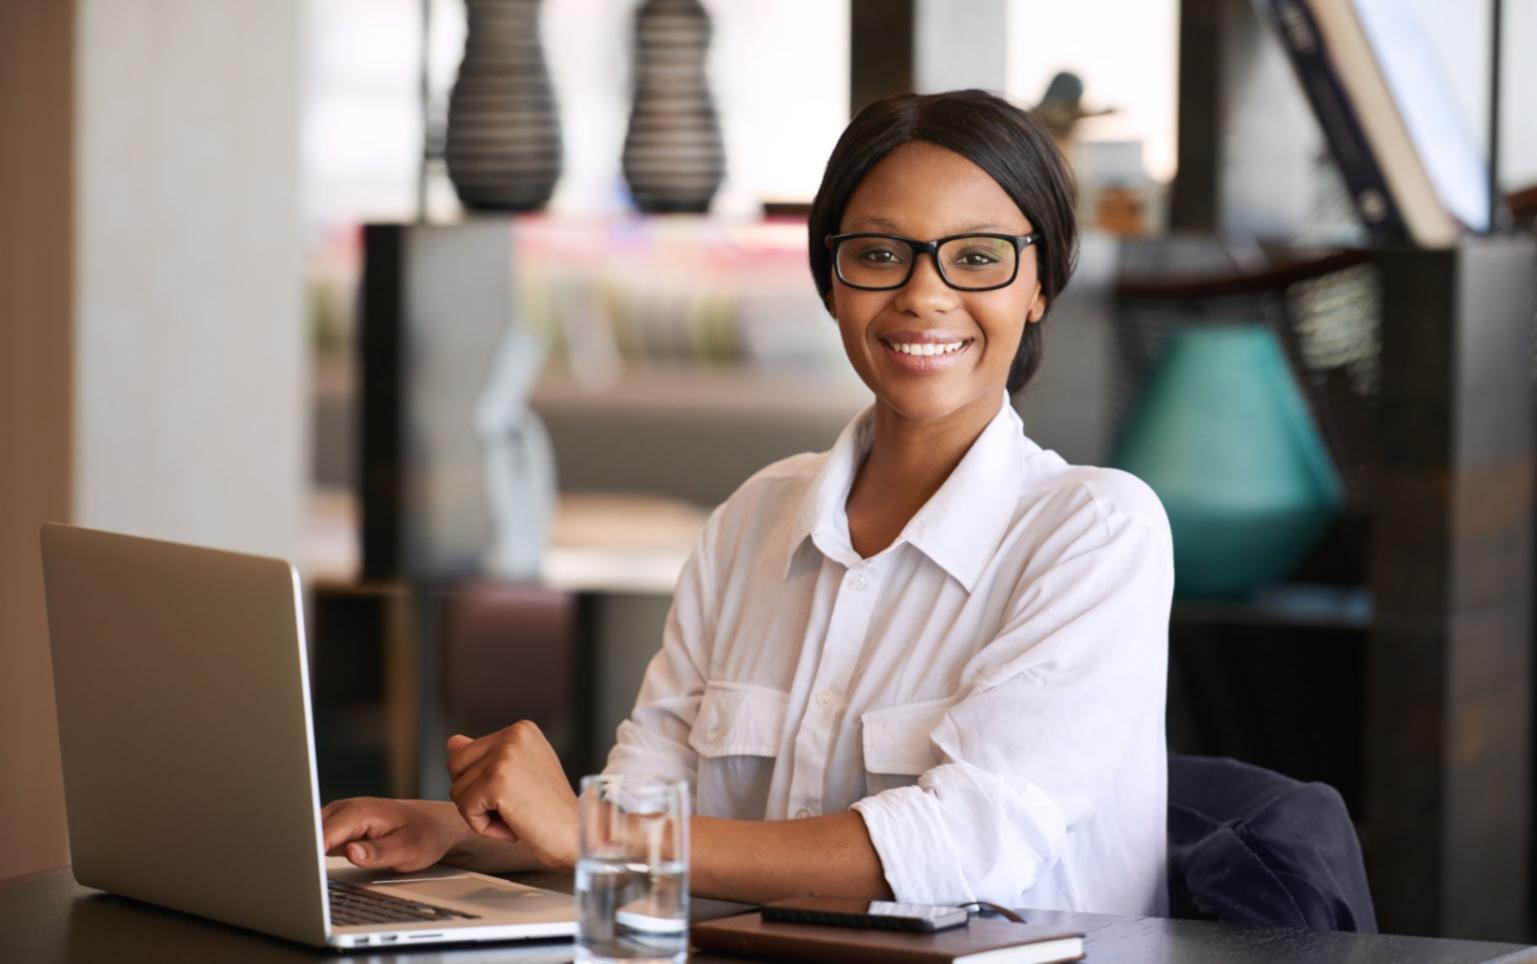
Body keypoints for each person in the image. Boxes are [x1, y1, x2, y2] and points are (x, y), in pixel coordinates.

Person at [322, 89, 1173, 916]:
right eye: (878, 254)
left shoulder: (1095, 533)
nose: (923, 293)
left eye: (978, 257)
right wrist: (468, 831)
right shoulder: (754, 519)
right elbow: (655, 811)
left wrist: (586, 831)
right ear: (830, 281)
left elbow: (964, 847)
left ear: (1039, 287)